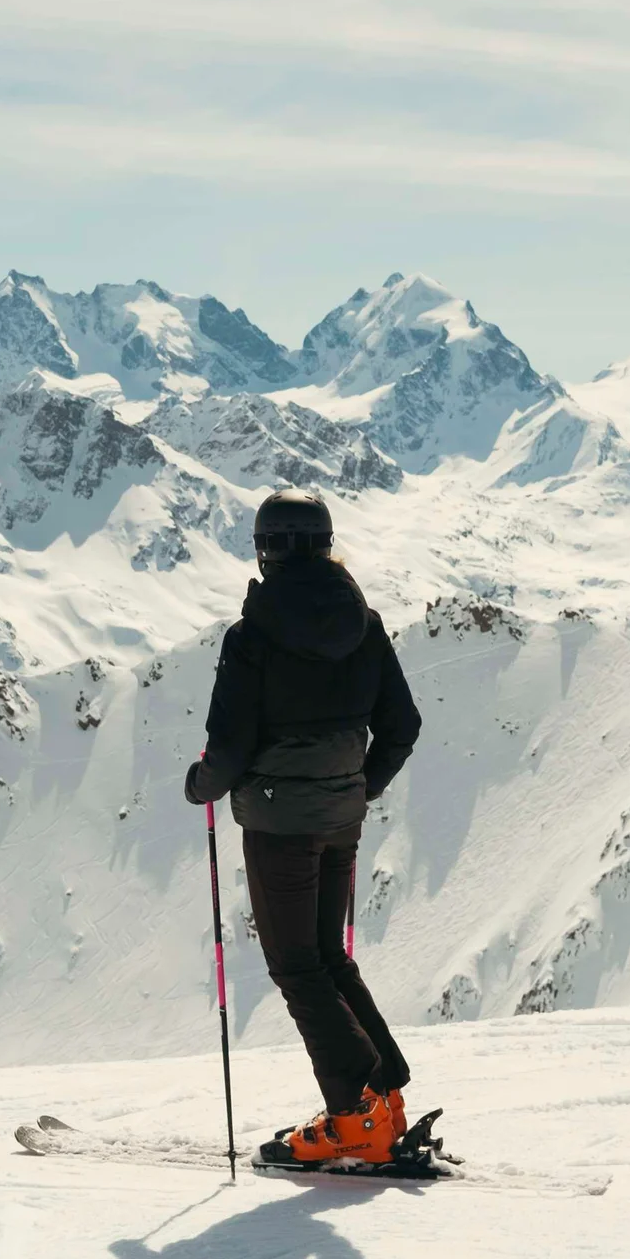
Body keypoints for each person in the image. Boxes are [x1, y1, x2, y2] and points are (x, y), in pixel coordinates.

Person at [184, 489, 423, 1163]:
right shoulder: (366, 626)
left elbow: (226, 754)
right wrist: (359, 785)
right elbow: (401, 728)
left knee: (298, 967)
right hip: (342, 818)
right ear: (325, 545)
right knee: (328, 958)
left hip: (278, 825)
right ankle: (384, 1098)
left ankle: (355, 1122)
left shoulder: (251, 638)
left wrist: (198, 785)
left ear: (266, 548)